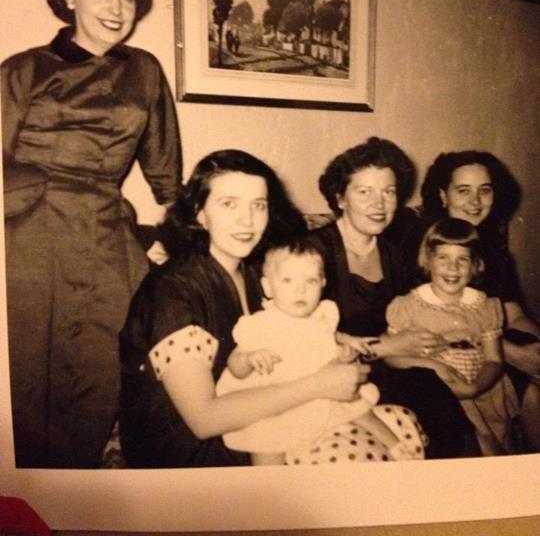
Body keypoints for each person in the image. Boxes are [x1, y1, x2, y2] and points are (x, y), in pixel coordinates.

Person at [1, 0, 182, 468]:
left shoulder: (145, 71)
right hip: (29, 231)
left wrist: (173, 238)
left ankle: (76, 485)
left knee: (103, 367)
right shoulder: (24, 69)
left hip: (106, 231)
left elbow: (166, 173)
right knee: (27, 369)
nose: (117, 8)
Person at [119, 150, 370, 468]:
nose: (247, 220)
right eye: (229, 204)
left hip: (260, 426)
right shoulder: (172, 293)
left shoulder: (257, 273)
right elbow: (204, 420)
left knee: (391, 426)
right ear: (199, 213)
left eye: (259, 205)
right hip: (188, 458)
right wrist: (319, 385)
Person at [309, 137, 480, 459]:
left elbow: (413, 316)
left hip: (390, 367)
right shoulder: (313, 253)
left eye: (388, 192)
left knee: (439, 401)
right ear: (340, 198)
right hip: (335, 374)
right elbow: (302, 342)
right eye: (365, 192)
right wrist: (389, 346)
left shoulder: (394, 255)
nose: (379, 204)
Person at [217, 240, 426, 465]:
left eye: (311, 281)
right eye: (287, 280)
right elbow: (235, 366)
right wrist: (249, 359)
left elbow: (331, 334)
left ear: (323, 284)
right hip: (279, 401)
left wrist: (350, 341)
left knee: (361, 409)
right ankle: (267, 482)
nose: (301, 290)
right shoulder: (261, 325)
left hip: (324, 389)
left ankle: (397, 447)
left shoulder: (322, 314)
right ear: (268, 287)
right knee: (267, 441)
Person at [395, 150, 540, 452]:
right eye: (463, 190)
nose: (475, 201)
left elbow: (513, 314)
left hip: (487, 346)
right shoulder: (426, 244)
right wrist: (512, 353)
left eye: (484, 190)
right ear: (443, 195)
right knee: (527, 392)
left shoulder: (490, 247)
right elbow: (432, 322)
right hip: (444, 357)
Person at [386, 217, 518, 455]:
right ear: (428, 260)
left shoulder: (484, 306)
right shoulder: (408, 306)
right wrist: (431, 364)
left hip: (484, 391)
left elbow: (494, 359)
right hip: (439, 393)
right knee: (474, 448)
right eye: (443, 258)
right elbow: (392, 356)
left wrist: (475, 388)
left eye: (463, 259)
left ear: (476, 265)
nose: (452, 268)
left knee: (499, 450)